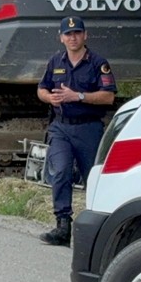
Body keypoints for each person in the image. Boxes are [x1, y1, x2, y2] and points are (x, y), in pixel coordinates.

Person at [36, 16, 115, 246]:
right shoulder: (55, 62)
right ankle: (63, 226)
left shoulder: (98, 63)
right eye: (68, 34)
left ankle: (98, 229)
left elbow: (108, 96)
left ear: (85, 35)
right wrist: (49, 97)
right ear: (61, 38)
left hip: (88, 128)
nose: (73, 37)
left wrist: (77, 96)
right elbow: (41, 88)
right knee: (60, 172)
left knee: (93, 178)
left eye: (77, 33)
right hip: (61, 127)